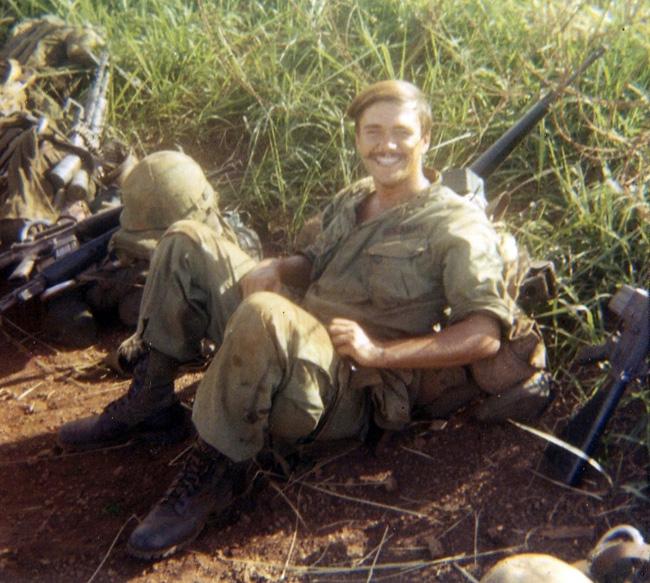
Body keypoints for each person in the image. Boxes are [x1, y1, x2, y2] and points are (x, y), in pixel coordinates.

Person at [58, 80, 549, 559]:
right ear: (358, 139)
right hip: (297, 334)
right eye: (372, 132)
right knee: (186, 238)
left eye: (401, 131)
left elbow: (484, 334)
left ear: (426, 137)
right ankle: (151, 400)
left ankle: (219, 466)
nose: (386, 145)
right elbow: (316, 260)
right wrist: (279, 266)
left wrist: (381, 353)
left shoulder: (457, 225)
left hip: (349, 386)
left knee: (264, 314)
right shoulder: (357, 196)